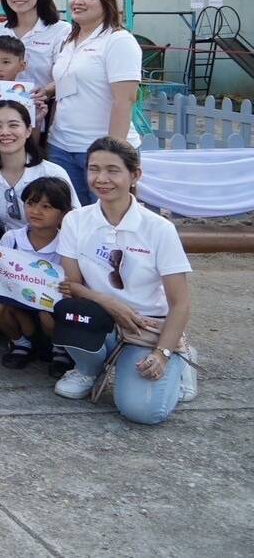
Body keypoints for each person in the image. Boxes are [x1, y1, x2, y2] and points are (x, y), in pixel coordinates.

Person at [53, 138, 197, 423]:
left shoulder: (159, 229)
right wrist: (110, 303)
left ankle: (179, 354)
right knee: (70, 311)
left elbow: (180, 303)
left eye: (113, 170)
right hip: (101, 318)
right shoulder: (75, 220)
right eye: (93, 169)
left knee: (142, 412)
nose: (102, 179)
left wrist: (162, 352)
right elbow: (74, 287)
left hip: (146, 324)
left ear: (135, 175)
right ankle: (88, 369)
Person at [44, 0, 141, 204]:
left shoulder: (119, 41)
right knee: (72, 220)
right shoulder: (70, 40)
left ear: (106, 1)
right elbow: (71, 79)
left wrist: (111, 154)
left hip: (98, 151)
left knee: (106, 220)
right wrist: (47, 90)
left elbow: (124, 100)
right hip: (61, 146)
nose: (78, 1)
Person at [0, 176, 73, 374]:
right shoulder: (12, 238)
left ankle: (59, 350)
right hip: (16, 298)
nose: (36, 211)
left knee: (47, 316)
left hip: (50, 304)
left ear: (63, 214)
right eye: (30, 203)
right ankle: (20, 343)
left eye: (46, 206)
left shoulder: (67, 243)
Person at [0, 100, 75, 231]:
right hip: (2, 248)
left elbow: (74, 222)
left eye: (13, 125)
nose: (5, 132)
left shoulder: (53, 173)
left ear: (28, 130)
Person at [0, 0, 69, 88]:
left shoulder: (61, 30)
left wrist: (47, 93)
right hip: (3, 106)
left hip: (44, 106)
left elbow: (66, 76)